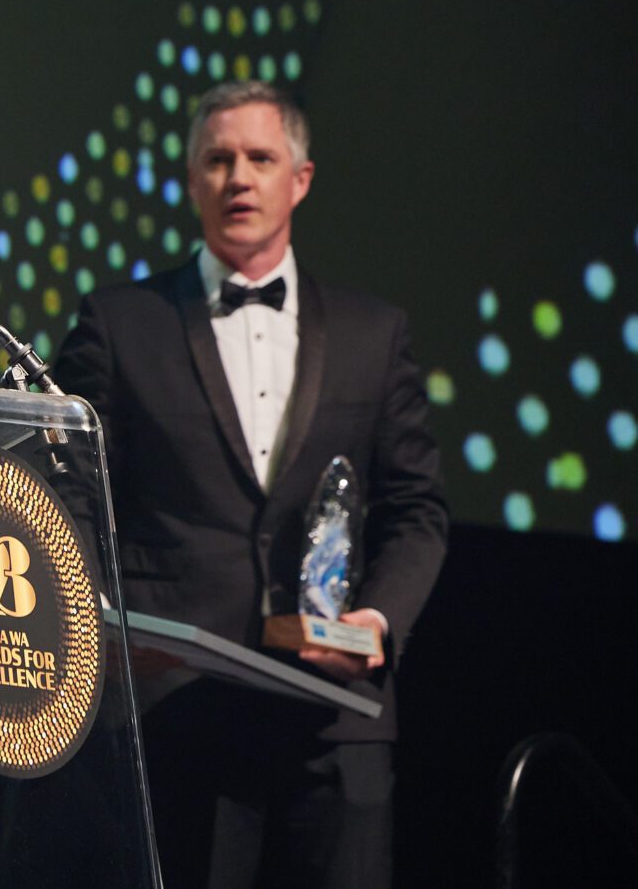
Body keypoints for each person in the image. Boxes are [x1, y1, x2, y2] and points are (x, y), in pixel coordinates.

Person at [52, 80, 447, 889]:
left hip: (337, 722)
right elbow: (69, 491)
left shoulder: (375, 333)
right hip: (177, 709)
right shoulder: (119, 323)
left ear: (299, 179)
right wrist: (102, 625)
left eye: (260, 158)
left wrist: (376, 620)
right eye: (218, 159)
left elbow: (416, 507)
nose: (239, 177)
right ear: (190, 179)